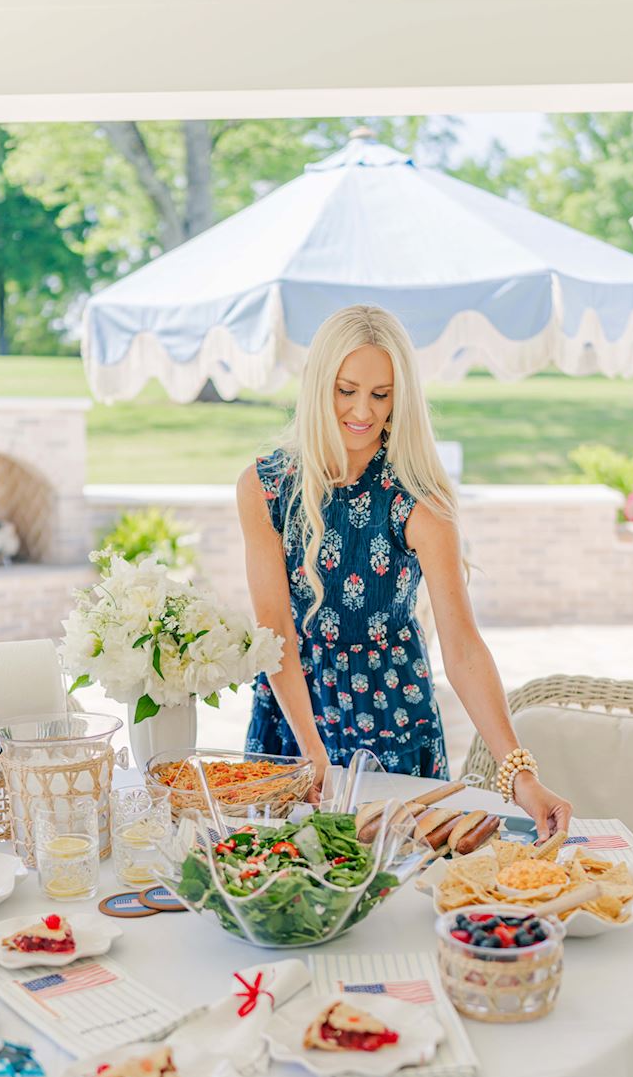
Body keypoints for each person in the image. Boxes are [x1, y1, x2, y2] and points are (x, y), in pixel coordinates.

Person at [237, 304, 572, 841]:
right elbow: (273, 628)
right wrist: (310, 749)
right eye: (346, 390)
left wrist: (521, 776)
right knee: (277, 870)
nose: (361, 411)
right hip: (291, 713)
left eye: (381, 394)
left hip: (390, 716)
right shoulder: (265, 487)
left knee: (402, 875)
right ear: (319, 385)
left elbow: (463, 649)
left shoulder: (418, 501)